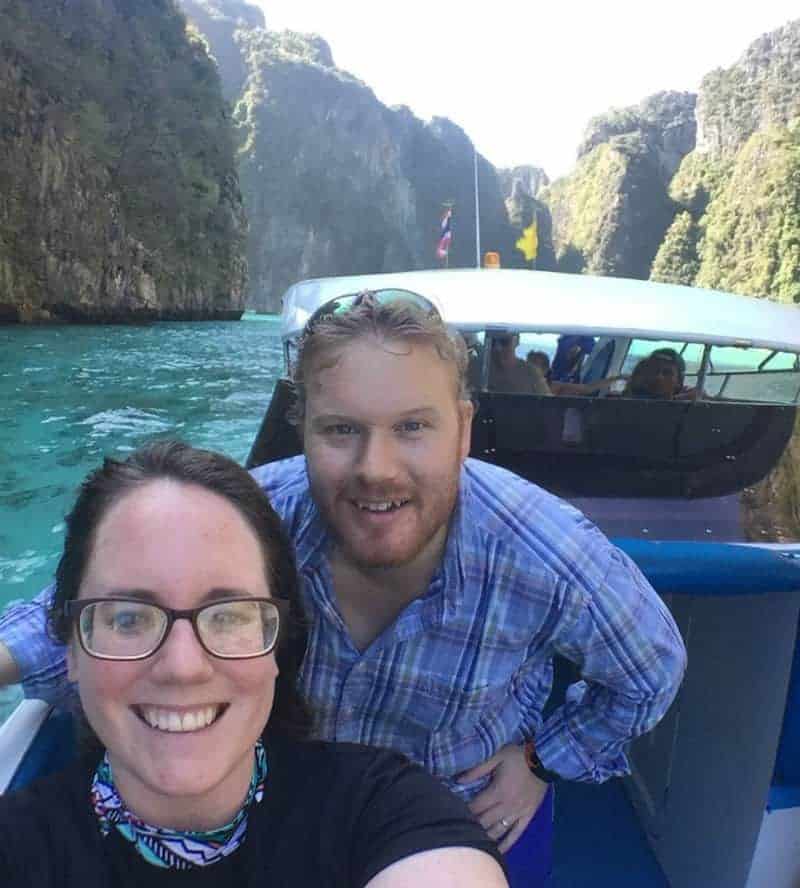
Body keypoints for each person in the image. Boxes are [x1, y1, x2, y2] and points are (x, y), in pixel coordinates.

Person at [0, 291, 687, 886]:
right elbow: (115, 604)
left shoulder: (545, 550)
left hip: (466, 801)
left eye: (413, 428)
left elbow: (651, 669)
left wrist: (542, 760)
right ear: (301, 431)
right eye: (341, 431)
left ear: (464, 431)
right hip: (282, 804)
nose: (375, 469)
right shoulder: (263, 514)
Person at [0, 442, 507, 887]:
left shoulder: (384, 811)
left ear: (276, 647)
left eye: (228, 617)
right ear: (70, 650)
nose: (183, 666)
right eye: (129, 619)